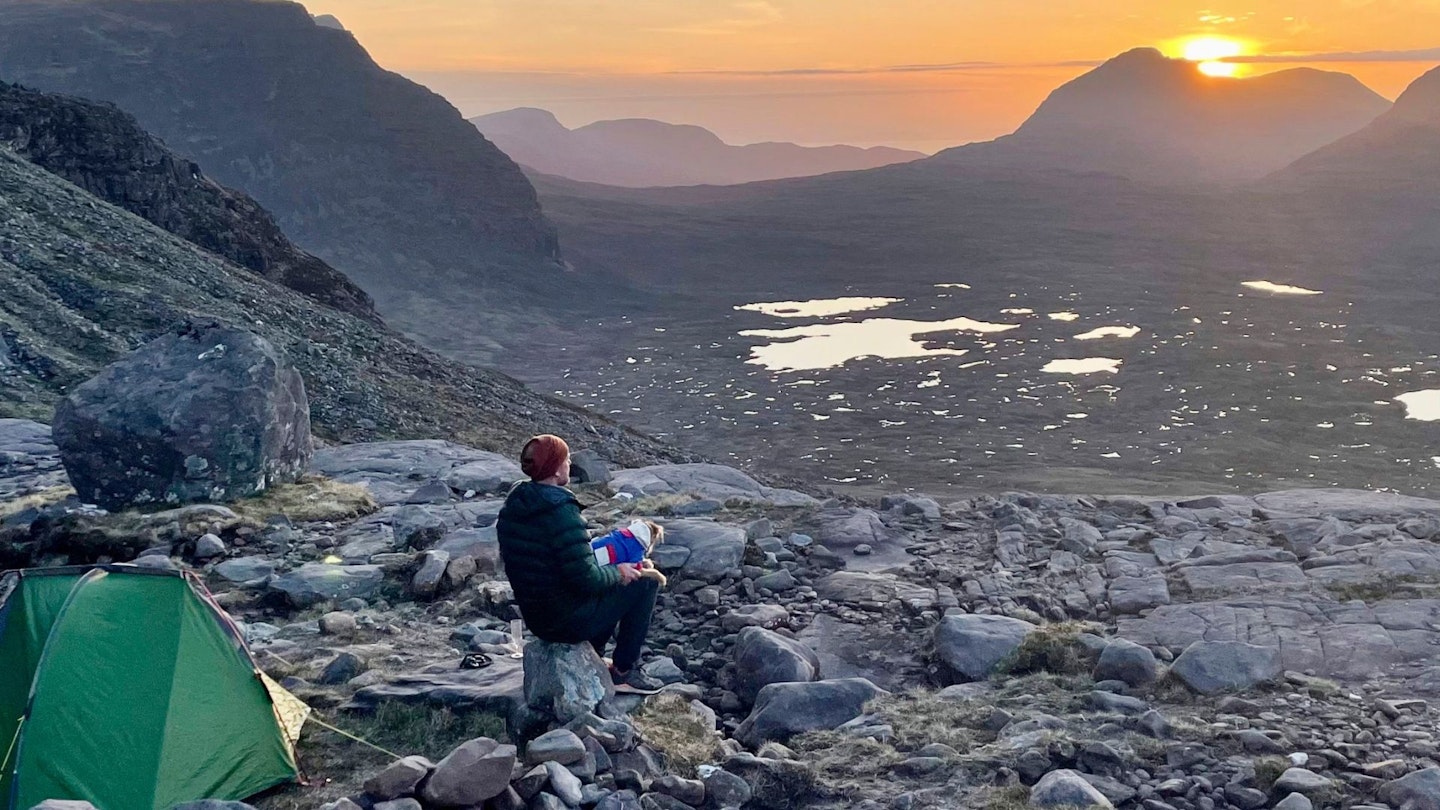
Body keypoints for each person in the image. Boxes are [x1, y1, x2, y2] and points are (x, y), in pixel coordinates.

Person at [496, 434, 663, 691]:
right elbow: (586, 578)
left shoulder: (514, 505)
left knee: (604, 587)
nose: (570, 463)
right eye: (566, 459)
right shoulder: (561, 511)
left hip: (538, 618)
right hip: (566, 621)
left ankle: (593, 655)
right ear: (554, 468)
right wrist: (618, 572)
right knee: (646, 583)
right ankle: (624, 670)